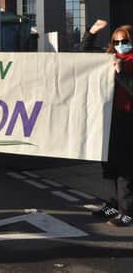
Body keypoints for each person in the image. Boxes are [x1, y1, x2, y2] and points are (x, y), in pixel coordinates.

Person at [82, 19, 133, 227]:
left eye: (125, 41)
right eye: (117, 41)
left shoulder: (127, 62)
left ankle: (128, 211)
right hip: (108, 117)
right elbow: (83, 55)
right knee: (108, 165)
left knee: (126, 168)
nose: (121, 44)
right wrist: (92, 31)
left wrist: (121, 73)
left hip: (128, 119)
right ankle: (112, 205)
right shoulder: (108, 57)